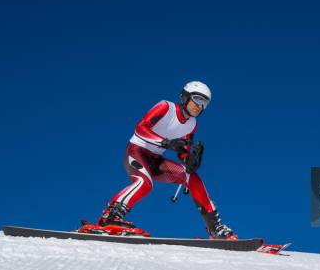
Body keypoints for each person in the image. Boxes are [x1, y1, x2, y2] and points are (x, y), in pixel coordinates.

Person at [88, 81, 236, 240]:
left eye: (204, 103)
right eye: (197, 99)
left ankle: (215, 227)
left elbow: (182, 150)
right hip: (136, 151)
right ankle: (109, 217)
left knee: (191, 177)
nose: (199, 106)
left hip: (155, 160)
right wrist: (165, 142)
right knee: (145, 183)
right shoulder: (166, 107)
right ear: (185, 97)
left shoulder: (192, 125)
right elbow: (141, 128)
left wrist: (190, 160)